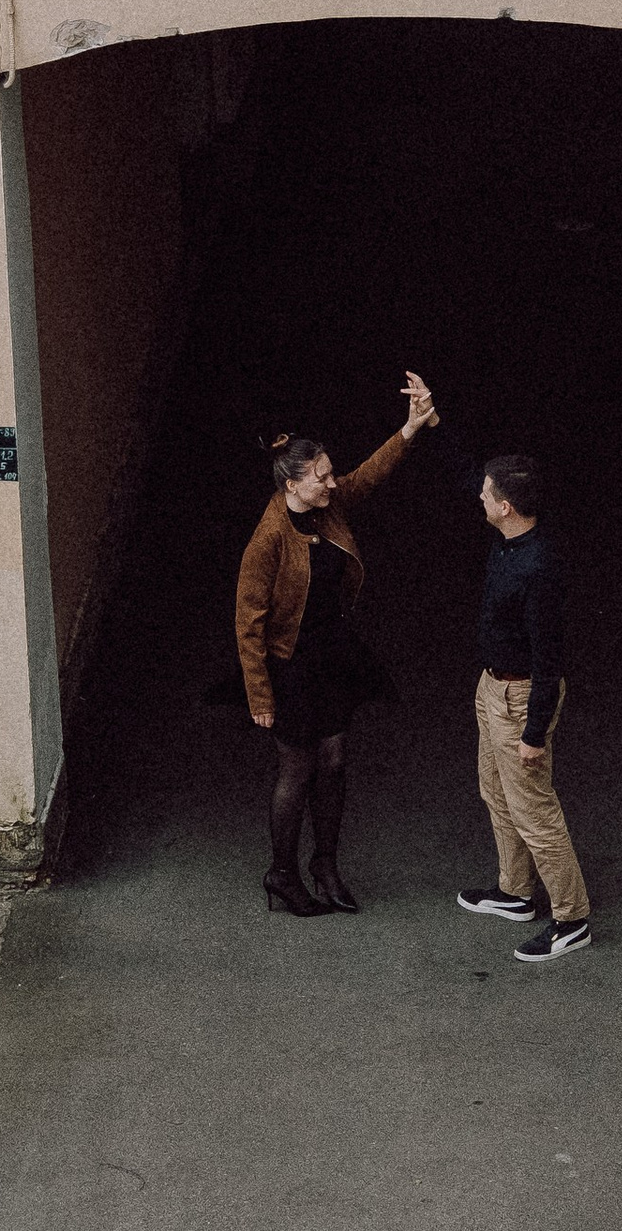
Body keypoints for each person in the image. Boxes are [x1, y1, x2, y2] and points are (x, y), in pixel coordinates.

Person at [236, 371, 437, 916]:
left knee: (335, 759)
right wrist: (259, 697)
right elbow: (248, 623)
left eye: (329, 474)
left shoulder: (328, 504)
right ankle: (281, 873)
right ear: (291, 486)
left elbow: (367, 476)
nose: (332, 482)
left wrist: (411, 427)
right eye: (322, 477)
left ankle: (325, 864)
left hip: (333, 654)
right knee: (296, 769)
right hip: (292, 665)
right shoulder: (269, 539)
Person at [457, 451, 591, 963]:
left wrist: (534, 732)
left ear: (506, 506)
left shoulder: (539, 566)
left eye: (488, 494)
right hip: (491, 688)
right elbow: (470, 475)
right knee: (495, 793)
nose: (480, 497)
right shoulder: (510, 535)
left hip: (520, 698)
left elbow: (549, 659)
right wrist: (432, 422)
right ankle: (514, 893)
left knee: (535, 811)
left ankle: (571, 918)